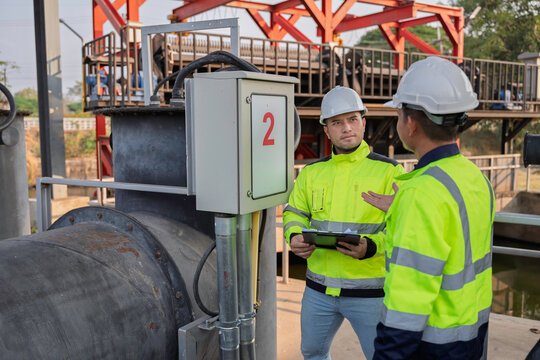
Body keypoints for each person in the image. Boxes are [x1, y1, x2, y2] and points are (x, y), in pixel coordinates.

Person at [372, 56, 494, 359]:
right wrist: (402, 207)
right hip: (471, 336)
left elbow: (407, 304)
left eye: (400, 114)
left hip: (432, 347)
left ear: (411, 123)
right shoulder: (474, 176)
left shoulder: (422, 194)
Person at [283, 86, 405, 360]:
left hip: (370, 293)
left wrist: (370, 247)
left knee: (383, 357)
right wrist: (293, 236)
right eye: (337, 122)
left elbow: (403, 228)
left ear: (363, 122)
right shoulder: (311, 173)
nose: (346, 128)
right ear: (326, 130)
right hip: (319, 291)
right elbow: (294, 213)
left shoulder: (390, 171)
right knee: (312, 352)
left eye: (352, 119)